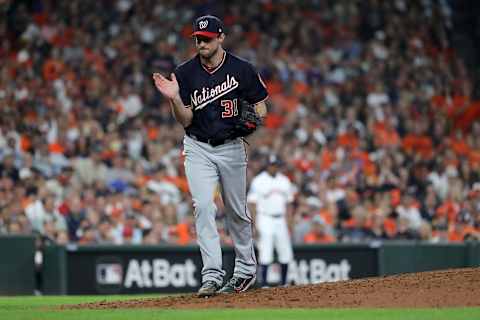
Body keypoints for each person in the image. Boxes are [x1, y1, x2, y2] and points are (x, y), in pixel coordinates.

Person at [152, 15, 268, 297]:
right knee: (203, 207)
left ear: (220, 38)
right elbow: (185, 119)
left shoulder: (242, 69)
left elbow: (261, 107)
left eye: (206, 38)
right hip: (197, 146)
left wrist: (252, 122)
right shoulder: (185, 72)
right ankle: (212, 275)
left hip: (231, 146)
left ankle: (244, 270)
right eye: (197, 38)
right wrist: (175, 99)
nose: (201, 42)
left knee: (237, 212)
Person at [247, 155, 296, 287]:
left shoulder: (284, 180)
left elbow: (289, 203)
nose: (274, 167)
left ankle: (284, 282)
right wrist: (254, 224)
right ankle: (264, 284)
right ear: (267, 166)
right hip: (265, 218)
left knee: (285, 251)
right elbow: (252, 204)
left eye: (276, 165)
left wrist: (290, 222)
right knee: (265, 251)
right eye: (272, 165)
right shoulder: (259, 180)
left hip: (281, 218)